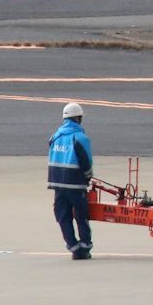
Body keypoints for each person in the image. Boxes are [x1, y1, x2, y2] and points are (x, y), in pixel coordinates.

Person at [47, 101, 93, 260]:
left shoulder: (55, 137)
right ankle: (85, 247)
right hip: (75, 184)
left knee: (63, 216)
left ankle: (74, 247)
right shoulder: (80, 138)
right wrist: (88, 176)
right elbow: (86, 162)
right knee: (81, 216)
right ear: (78, 118)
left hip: (58, 184)